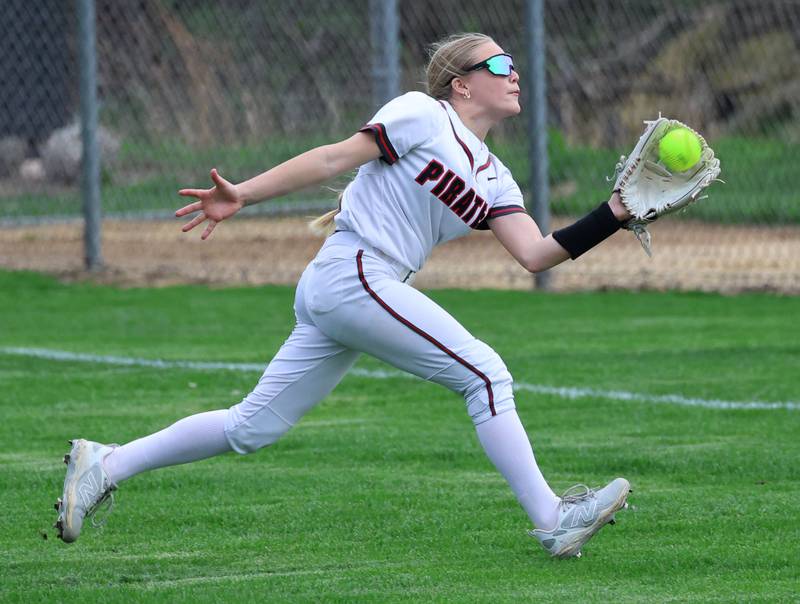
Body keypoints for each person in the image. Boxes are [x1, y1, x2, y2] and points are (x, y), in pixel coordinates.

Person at [54, 33, 632, 559]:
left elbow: (534, 254)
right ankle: (553, 518)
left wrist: (614, 213)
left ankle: (105, 463)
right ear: (462, 84)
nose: (514, 75)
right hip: (355, 271)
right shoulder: (423, 114)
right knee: (484, 374)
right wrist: (245, 195)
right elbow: (334, 157)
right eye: (500, 63)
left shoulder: (496, 177)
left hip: (357, 285)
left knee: (250, 428)